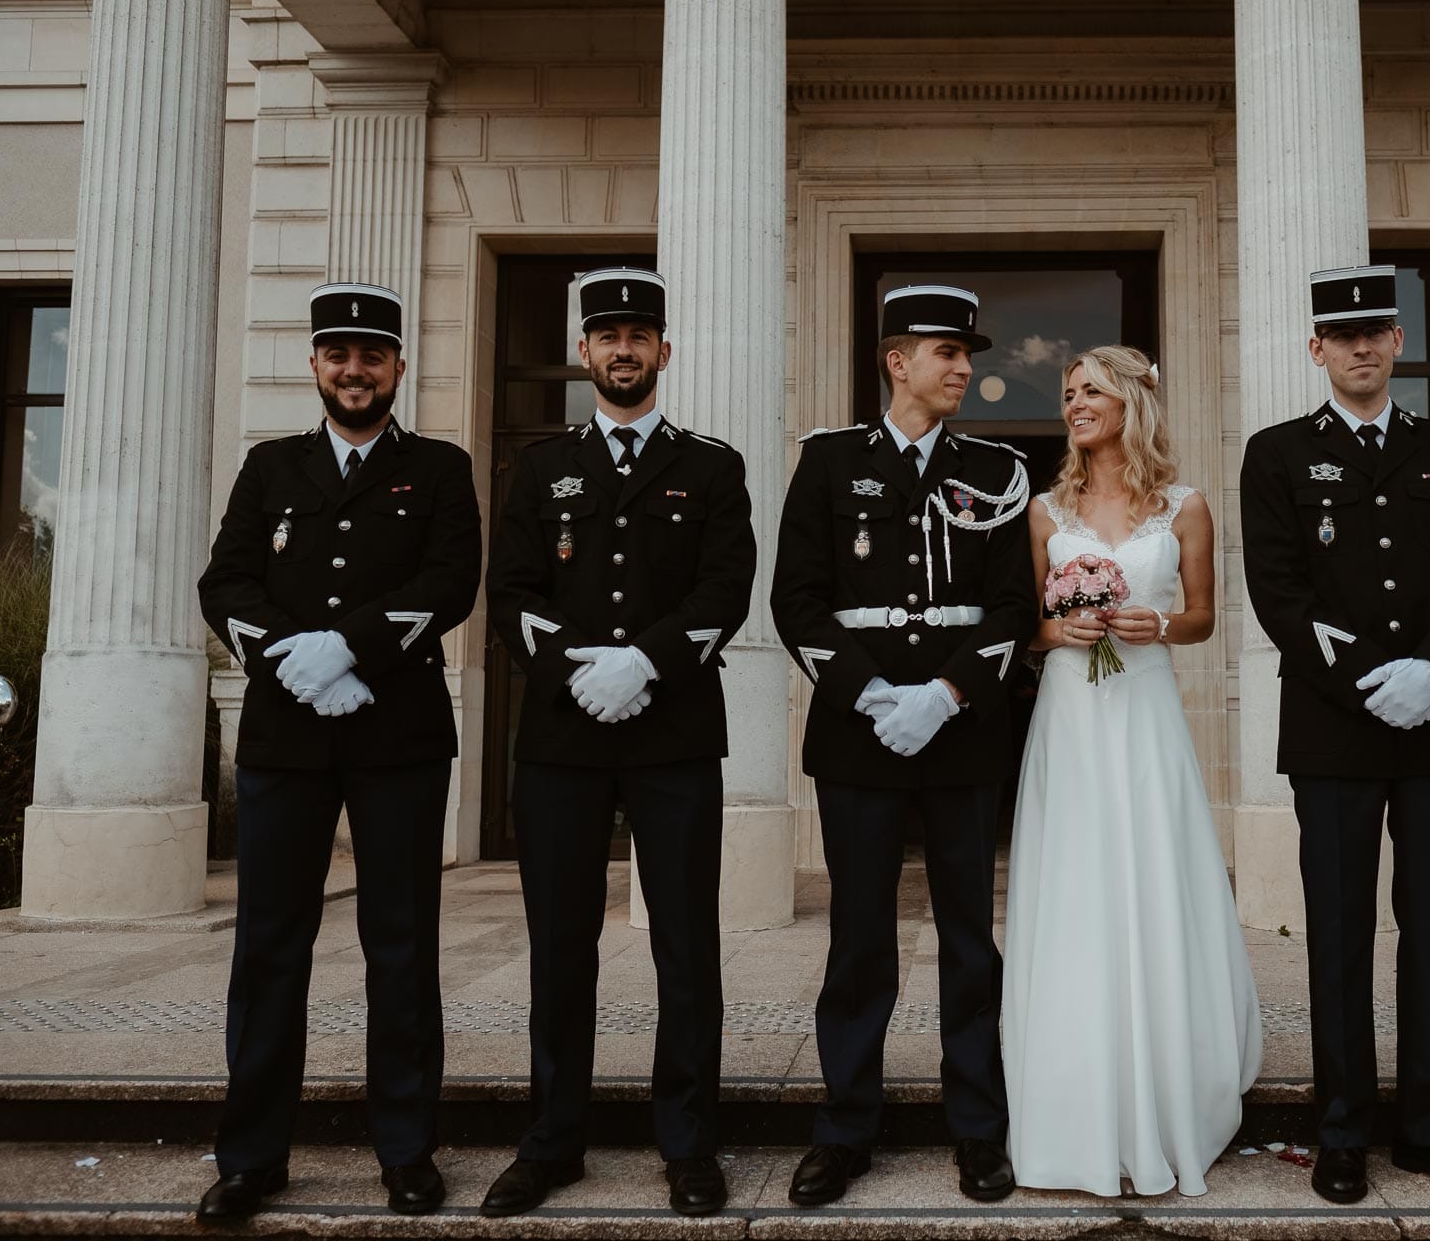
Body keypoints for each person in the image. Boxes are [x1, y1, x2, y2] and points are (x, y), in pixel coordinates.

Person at [195, 283, 482, 1222]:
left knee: (399, 946)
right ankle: (250, 1157)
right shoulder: (269, 467)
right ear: (314, 365)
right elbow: (225, 579)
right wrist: (297, 660)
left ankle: (406, 1150)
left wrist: (351, 647)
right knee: (270, 946)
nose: (353, 370)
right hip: (286, 735)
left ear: (400, 368)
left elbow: (450, 579)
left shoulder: (440, 468)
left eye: (371, 356)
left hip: (396, 736)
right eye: (337, 355)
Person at [480, 267, 756, 1218]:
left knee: (685, 943)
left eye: (641, 333)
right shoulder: (539, 469)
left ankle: (689, 1143)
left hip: (674, 729)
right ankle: (553, 1139)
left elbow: (724, 590)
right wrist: (576, 672)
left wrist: (643, 664)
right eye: (609, 335)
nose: (625, 348)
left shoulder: (712, 467)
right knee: (561, 944)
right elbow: (510, 592)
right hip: (560, 736)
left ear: (664, 351)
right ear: (586, 354)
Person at [1238, 265, 1430, 1206]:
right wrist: (1368, 682)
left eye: (1376, 332)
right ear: (1317, 349)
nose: (1360, 347)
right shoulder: (1275, 455)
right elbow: (1280, 593)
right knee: (1340, 932)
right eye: (1341, 335)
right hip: (1333, 732)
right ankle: (1342, 1129)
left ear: (1398, 343)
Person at [771, 284, 1036, 1207]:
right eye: (945, 352)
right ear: (896, 361)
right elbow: (796, 598)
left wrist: (950, 692)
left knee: (970, 938)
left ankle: (978, 1128)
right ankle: (846, 1128)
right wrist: (874, 693)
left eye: (968, 354)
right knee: (858, 941)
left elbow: (1013, 605)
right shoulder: (830, 462)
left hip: (962, 737)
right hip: (861, 734)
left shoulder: (998, 469)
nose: (964, 368)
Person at [1002, 345, 1262, 1197]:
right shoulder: (1044, 511)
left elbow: (1203, 619)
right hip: (1072, 714)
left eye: (1089, 391)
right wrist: (1057, 633)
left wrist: (1155, 623)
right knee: (1076, 884)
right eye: (1067, 393)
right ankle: (1072, 1087)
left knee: (1151, 875)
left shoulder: (1185, 506)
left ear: (1131, 401)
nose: (1074, 404)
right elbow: (1025, 627)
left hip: (1145, 710)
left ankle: (1168, 1072)